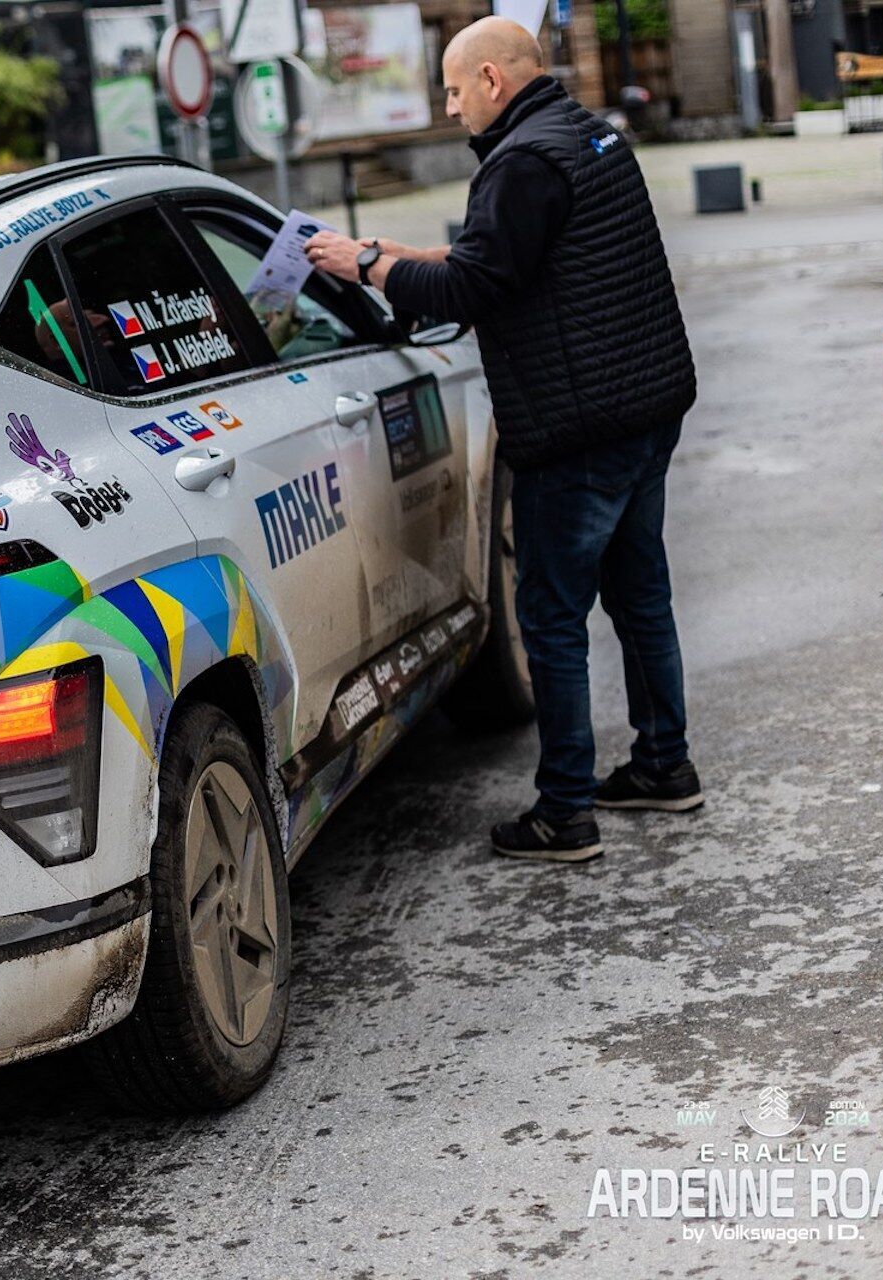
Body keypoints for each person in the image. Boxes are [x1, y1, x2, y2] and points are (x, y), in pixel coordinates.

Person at [303, 16, 702, 863]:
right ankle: (665, 766)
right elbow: (504, 258)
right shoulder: (588, 136)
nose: (449, 109)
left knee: (551, 618)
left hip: (579, 429)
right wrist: (385, 253)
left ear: (491, 80)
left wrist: (365, 269)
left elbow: (475, 285)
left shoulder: (521, 160)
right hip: (643, 410)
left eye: (452, 90)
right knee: (640, 595)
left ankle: (565, 812)